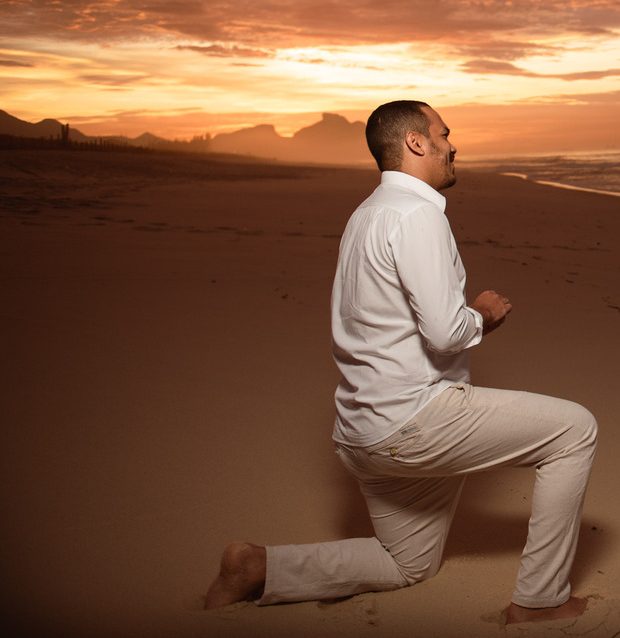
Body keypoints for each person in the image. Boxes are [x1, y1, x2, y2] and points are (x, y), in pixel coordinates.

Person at [204, 100, 597, 625]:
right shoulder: (418, 215)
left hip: (361, 429)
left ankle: (258, 568)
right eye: (444, 134)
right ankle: (539, 601)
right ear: (416, 142)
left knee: (407, 563)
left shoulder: (366, 214)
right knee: (575, 429)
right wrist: (481, 315)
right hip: (414, 422)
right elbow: (444, 331)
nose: (454, 145)